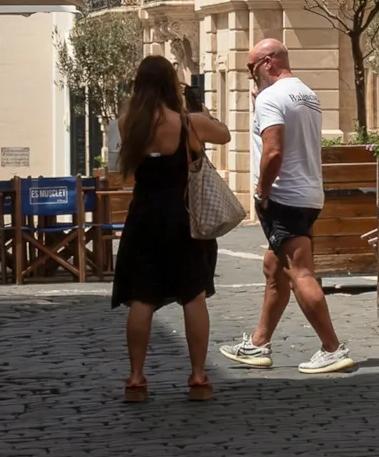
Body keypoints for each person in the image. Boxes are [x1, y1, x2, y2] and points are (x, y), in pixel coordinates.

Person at [109, 52, 226, 399]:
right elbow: (224, 135)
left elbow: (122, 169)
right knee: (193, 294)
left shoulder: (126, 121)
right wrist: (196, 106)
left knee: (141, 297)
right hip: (181, 215)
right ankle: (199, 375)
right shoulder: (187, 123)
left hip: (143, 215)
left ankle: (135, 377)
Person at [235, 36, 353, 376]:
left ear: (269, 62)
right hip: (308, 193)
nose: (250, 74)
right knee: (274, 270)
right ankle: (259, 343)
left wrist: (261, 189)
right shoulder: (307, 94)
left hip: (284, 196)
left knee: (300, 273)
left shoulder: (271, 98)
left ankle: (332, 347)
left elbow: (273, 151)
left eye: (252, 67)